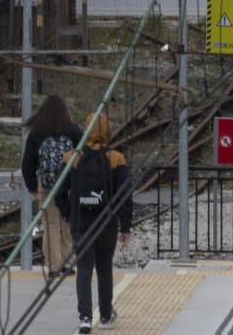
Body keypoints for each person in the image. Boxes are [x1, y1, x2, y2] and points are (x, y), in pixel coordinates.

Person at [58, 113, 132, 334]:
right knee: (104, 268)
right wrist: (125, 226)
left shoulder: (72, 157)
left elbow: (59, 191)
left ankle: (84, 318)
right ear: (107, 130)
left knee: (83, 268)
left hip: (81, 222)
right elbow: (124, 196)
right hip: (106, 223)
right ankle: (106, 315)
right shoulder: (116, 159)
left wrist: (68, 212)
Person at [21, 95, 82, 279]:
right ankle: (68, 264)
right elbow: (82, 156)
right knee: (67, 222)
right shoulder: (73, 130)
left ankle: (53, 267)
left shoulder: (38, 131)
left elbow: (28, 163)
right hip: (69, 184)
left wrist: (32, 186)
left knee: (50, 224)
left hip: (46, 185)